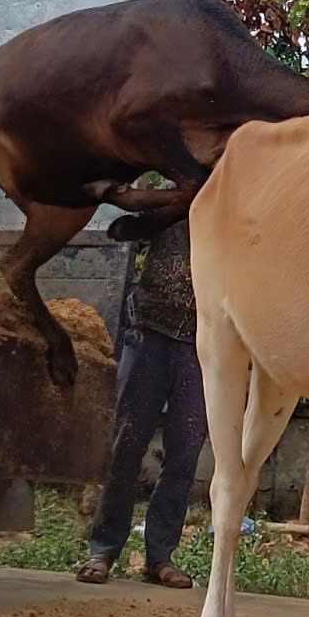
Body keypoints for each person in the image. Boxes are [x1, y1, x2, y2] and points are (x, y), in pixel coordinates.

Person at [78, 214, 203, 589]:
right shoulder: (174, 200)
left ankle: (160, 557)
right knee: (126, 444)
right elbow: (121, 227)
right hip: (149, 333)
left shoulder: (233, 210)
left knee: (185, 453)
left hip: (202, 345)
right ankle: (102, 550)